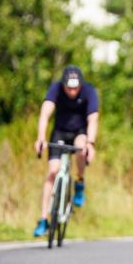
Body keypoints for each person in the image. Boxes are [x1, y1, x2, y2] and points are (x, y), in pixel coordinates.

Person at [32, 66, 99, 237]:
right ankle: (43, 219)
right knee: (53, 171)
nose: (72, 91)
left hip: (80, 132)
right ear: (63, 85)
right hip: (60, 132)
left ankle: (79, 182)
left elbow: (93, 119)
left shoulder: (89, 91)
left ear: (81, 85)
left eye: (75, 88)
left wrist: (90, 143)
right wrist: (41, 138)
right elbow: (45, 113)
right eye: (68, 88)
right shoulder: (55, 89)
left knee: (81, 147)